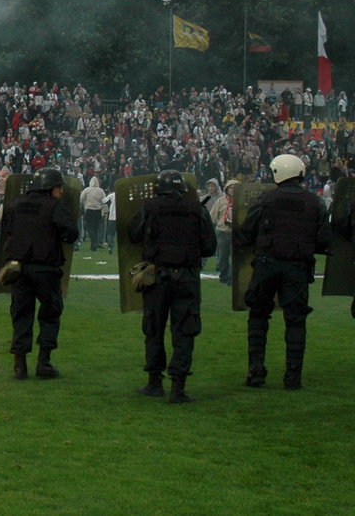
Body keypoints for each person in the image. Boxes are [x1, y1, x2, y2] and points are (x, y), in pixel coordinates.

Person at [235, 154, 331, 390]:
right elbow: (324, 240)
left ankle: (256, 371)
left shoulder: (266, 200)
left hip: (267, 265)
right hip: (297, 268)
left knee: (258, 316)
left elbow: (246, 233)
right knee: (296, 321)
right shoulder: (315, 202)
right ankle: (293, 376)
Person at [128, 170, 216, 403]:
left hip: (157, 277)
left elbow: (134, 235)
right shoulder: (197, 208)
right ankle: (179, 388)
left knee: (154, 329)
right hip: (187, 277)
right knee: (184, 331)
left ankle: (154, 382)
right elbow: (209, 246)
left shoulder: (150, 207)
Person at [0, 168, 79, 379]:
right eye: (59, 187)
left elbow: (7, 230)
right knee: (50, 314)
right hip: (46, 269)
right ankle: (44, 363)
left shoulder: (16, 204)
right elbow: (71, 233)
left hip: (19, 269)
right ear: (50, 188)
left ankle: (20, 365)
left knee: (21, 314)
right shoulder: (55, 206)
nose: (61, 191)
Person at [209, 179, 237, 285]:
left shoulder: (241, 201)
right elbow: (213, 217)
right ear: (226, 189)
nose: (232, 190)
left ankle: (231, 278)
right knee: (222, 257)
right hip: (222, 232)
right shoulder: (221, 201)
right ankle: (223, 276)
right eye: (230, 188)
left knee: (234, 258)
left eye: (235, 188)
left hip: (235, 232)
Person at [80, 176, 105, 251]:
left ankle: (93, 242)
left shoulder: (87, 190)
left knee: (90, 228)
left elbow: (81, 199)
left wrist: (83, 206)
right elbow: (104, 201)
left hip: (89, 210)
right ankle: (96, 242)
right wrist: (105, 211)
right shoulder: (100, 191)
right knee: (97, 227)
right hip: (98, 210)